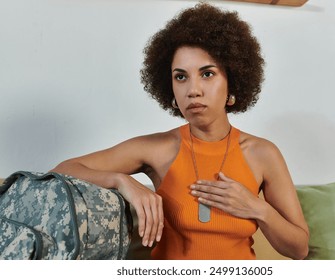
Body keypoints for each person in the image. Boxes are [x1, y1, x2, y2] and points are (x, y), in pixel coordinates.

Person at [51, 3, 309, 260]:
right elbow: (62, 170)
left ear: (232, 84)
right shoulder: (157, 149)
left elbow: (298, 249)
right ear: (170, 89)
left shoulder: (262, 154)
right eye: (181, 77)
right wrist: (121, 181)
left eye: (207, 74)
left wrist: (258, 209)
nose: (193, 90)